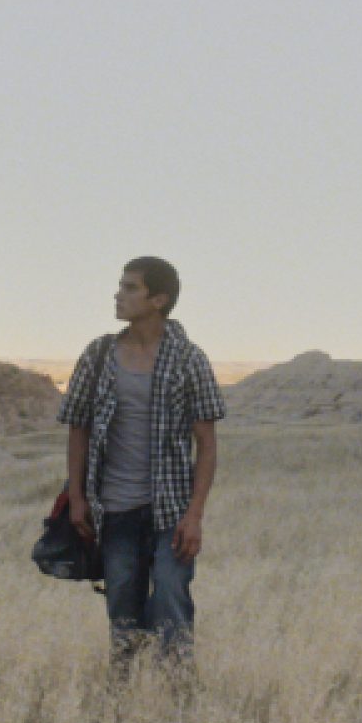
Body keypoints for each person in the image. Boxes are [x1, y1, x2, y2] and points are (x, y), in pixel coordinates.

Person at [58, 256, 225, 676]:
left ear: (159, 300)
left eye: (130, 288)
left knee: (171, 596)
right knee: (122, 607)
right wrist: (76, 497)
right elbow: (76, 428)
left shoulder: (189, 359)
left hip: (170, 510)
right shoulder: (98, 355)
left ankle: (178, 691)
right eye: (121, 286)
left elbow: (206, 444)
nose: (119, 294)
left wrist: (195, 515)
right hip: (114, 509)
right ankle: (122, 696)